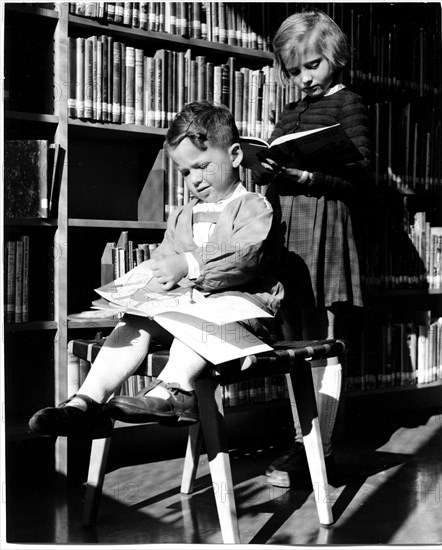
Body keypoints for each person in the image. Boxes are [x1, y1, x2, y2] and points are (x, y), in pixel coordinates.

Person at [28, 101, 284, 438]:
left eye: (203, 166)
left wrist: (189, 265)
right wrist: (147, 285)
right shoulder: (182, 215)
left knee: (200, 318)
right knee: (134, 322)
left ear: (235, 156)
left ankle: (175, 392)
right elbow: (166, 258)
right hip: (189, 308)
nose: (195, 180)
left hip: (243, 316)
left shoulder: (253, 206)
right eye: (185, 172)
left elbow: (245, 257)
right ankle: (86, 403)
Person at [259, 9, 372, 488]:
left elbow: (362, 178)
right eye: (293, 70)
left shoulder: (350, 104)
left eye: (312, 66)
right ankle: (297, 439)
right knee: (290, 339)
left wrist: (308, 177)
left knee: (323, 339)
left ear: (335, 59)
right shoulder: (287, 112)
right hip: (287, 227)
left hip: (326, 222)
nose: (303, 79)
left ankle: (317, 449)